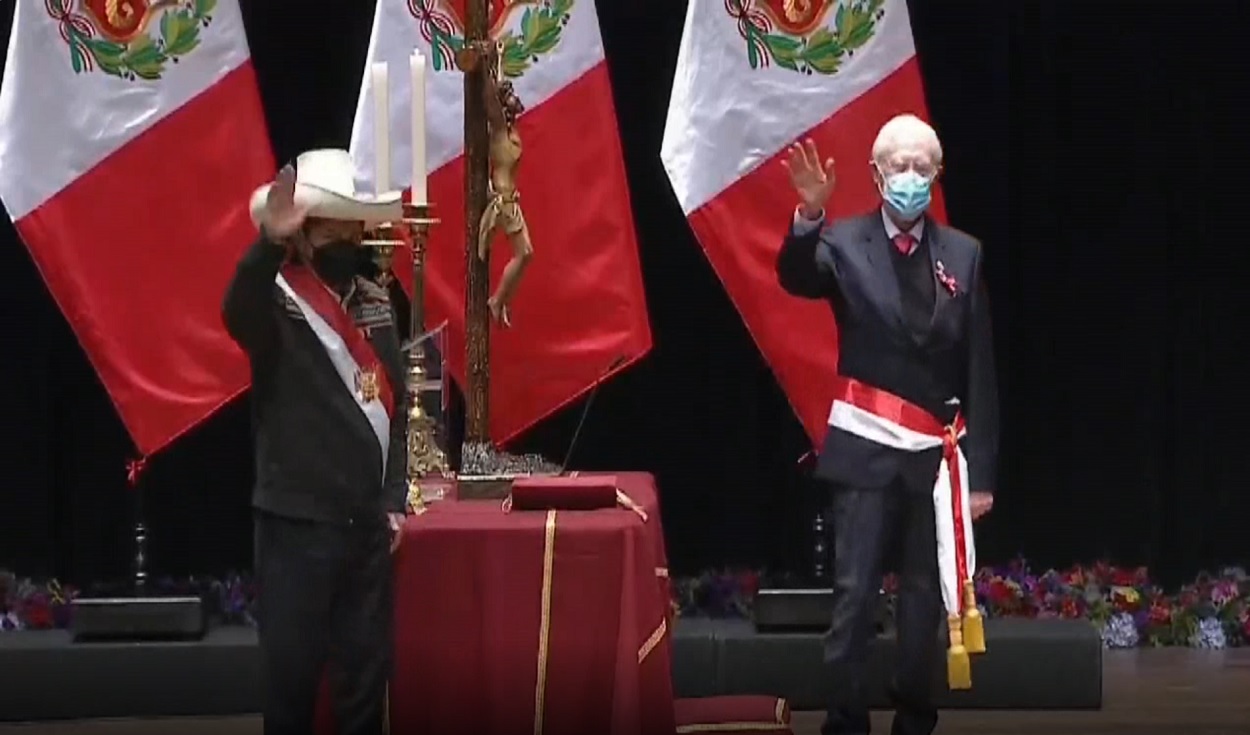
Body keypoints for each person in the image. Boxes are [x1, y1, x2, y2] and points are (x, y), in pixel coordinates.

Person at [775, 115, 999, 735]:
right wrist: (809, 218)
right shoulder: (843, 243)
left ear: (937, 174)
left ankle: (914, 718)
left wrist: (980, 474)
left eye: (921, 166)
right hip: (867, 451)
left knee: (924, 606)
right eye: (897, 165)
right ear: (875, 174)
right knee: (854, 599)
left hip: (933, 459)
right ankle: (845, 720)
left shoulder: (963, 253)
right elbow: (796, 277)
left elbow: (980, 369)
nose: (909, 176)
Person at [222, 149, 408, 735]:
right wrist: (265, 249)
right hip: (296, 527)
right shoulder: (274, 301)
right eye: (335, 225)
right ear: (303, 235)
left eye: (355, 224)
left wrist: (395, 496)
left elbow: (395, 408)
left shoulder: (378, 301)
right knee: (292, 689)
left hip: (365, 531)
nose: (350, 237)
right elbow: (235, 313)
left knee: (364, 688)